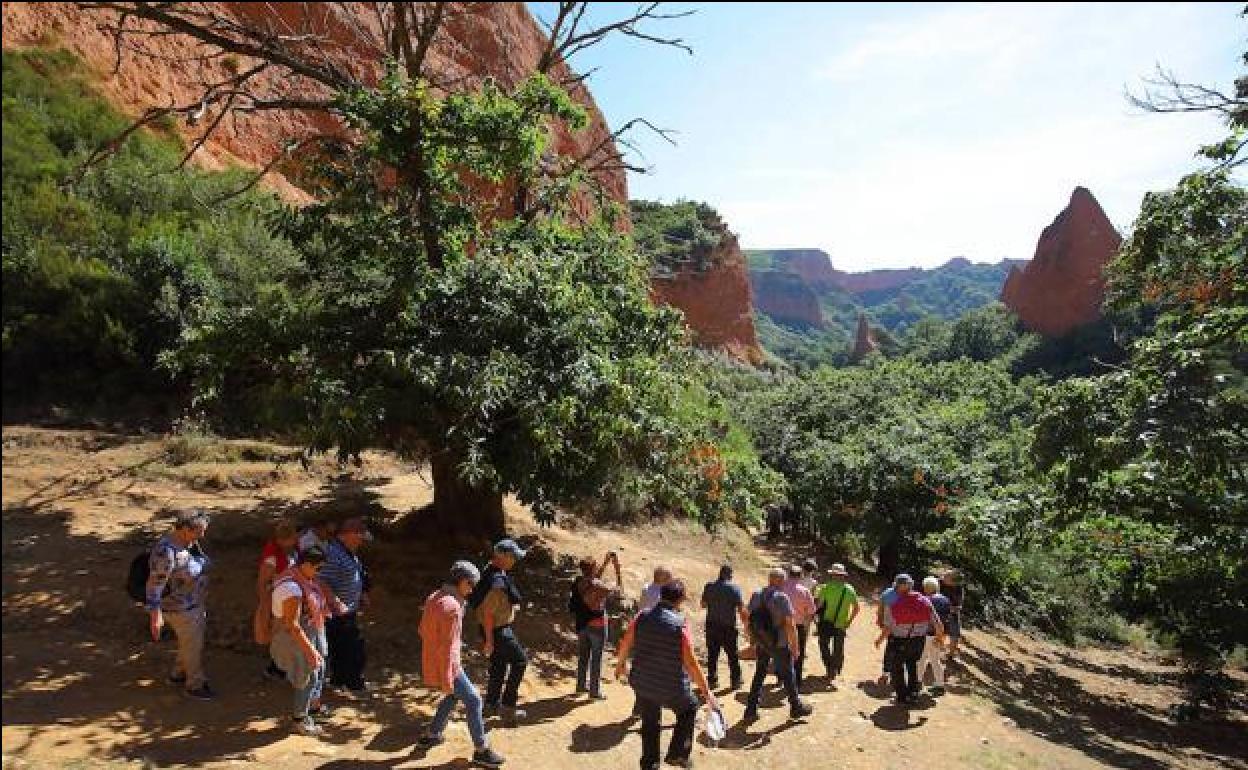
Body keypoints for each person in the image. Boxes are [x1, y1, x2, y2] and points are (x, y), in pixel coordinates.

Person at [615, 580, 718, 770]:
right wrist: (707, 692)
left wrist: (620, 665)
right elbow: (692, 664)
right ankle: (678, 754)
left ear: (661, 596)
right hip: (671, 686)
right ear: (680, 601)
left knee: (650, 722)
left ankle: (650, 764)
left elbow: (626, 642)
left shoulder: (641, 617)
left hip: (642, 682)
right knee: (689, 708)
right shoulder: (680, 625)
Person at [418, 561, 506, 767]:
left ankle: (432, 734)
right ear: (461, 581)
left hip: (433, 659)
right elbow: (447, 648)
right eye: (471, 584)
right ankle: (481, 751)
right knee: (474, 700)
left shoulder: (434, 597)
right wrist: (448, 676)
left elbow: (422, 629)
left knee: (452, 697)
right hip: (448, 665)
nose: (472, 589)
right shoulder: (453, 607)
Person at [146, 509, 213, 700]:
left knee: (189, 643)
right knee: (193, 646)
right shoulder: (166, 552)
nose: (202, 535)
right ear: (184, 529)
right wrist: (155, 614)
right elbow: (155, 583)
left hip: (192, 604)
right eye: (199, 530)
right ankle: (195, 684)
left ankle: (178, 674)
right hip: (181, 609)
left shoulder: (189, 543)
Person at [270, 544, 332, 736]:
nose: (319, 572)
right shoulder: (293, 589)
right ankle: (299, 720)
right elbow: (293, 625)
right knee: (308, 676)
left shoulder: (302, 578)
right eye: (317, 568)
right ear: (305, 564)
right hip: (293, 638)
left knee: (315, 671)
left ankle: (309, 710)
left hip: (307, 632)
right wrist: (310, 651)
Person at [469, 539, 529, 726]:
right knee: (520, 662)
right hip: (498, 631)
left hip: (494, 630)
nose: (515, 561)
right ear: (503, 557)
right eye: (513, 557)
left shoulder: (491, 571)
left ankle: (490, 705)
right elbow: (488, 614)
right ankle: (508, 709)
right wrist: (489, 641)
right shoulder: (496, 583)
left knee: (499, 666)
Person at [743, 568, 813, 722]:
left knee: (760, 673)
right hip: (779, 643)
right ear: (780, 581)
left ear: (769, 580)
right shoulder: (782, 598)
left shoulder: (756, 595)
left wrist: (751, 639)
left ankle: (750, 709)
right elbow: (790, 625)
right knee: (788, 674)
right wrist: (795, 647)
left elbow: (747, 618)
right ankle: (796, 707)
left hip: (762, 641)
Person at [319, 517, 372, 694]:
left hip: (348, 610)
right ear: (347, 535)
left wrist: (362, 595)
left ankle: (339, 681)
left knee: (342, 649)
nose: (361, 541)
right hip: (337, 613)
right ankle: (354, 684)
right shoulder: (333, 555)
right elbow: (321, 581)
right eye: (359, 536)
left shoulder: (349, 552)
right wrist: (336, 602)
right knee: (354, 649)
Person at [881, 574, 944, 704]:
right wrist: (939, 638)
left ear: (896, 586)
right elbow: (939, 625)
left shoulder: (893, 603)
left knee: (897, 668)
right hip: (919, 641)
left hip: (900, 640)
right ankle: (913, 693)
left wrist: (880, 638)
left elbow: (888, 627)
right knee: (912, 665)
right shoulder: (925, 601)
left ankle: (902, 696)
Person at [570, 551, 622, 699]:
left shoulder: (579, 582)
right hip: (598, 626)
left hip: (582, 624)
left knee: (583, 656)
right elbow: (618, 589)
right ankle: (594, 691)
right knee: (596, 659)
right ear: (592, 569)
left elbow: (592, 580)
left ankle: (580, 686)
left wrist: (605, 563)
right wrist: (617, 570)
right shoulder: (599, 586)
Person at [257, 519, 299, 680]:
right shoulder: (272, 558)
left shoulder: (290, 551)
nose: (295, 541)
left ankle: (285, 666)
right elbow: (262, 584)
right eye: (292, 538)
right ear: (282, 540)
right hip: (278, 602)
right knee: (279, 635)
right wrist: (265, 609)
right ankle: (276, 668)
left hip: (291, 597)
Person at [700, 565, 749, 691]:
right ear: (729, 575)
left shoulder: (709, 586)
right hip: (728, 627)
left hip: (711, 625)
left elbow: (703, 605)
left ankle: (712, 680)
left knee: (712, 654)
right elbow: (741, 609)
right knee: (732, 655)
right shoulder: (734, 588)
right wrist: (747, 627)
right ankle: (735, 681)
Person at [813, 563, 860, 681]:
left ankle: (830, 668)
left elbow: (818, 605)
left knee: (823, 645)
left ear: (832, 575)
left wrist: (813, 616)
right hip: (841, 624)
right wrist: (849, 621)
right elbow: (856, 608)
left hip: (826, 622)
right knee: (838, 648)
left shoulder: (825, 588)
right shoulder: (849, 589)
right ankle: (835, 668)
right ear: (843, 576)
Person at [780, 564, 816, 689]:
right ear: (800, 576)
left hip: (781, 625)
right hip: (798, 626)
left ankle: (781, 678)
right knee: (798, 653)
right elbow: (811, 610)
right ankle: (797, 681)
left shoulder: (781, 587)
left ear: (789, 574)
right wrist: (806, 623)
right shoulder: (804, 591)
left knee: (781, 651)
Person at [918, 576, 951, 696]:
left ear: (927, 587)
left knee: (921, 659)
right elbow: (947, 619)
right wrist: (942, 636)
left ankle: (917, 683)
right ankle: (939, 685)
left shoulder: (926, 600)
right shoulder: (946, 600)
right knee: (935, 660)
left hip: (927, 634)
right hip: (940, 634)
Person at [875, 581, 901, 687]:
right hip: (904, 630)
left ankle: (886, 674)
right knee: (898, 652)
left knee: (890, 650)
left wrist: (880, 619)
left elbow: (881, 608)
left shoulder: (887, 593)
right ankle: (894, 676)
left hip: (892, 628)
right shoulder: (908, 595)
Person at [940, 569, 965, 660]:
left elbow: (959, 606)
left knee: (955, 633)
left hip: (952, 613)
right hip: (939, 611)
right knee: (939, 630)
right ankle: (935, 651)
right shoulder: (939, 583)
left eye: (946, 576)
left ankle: (951, 654)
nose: (943, 577)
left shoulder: (959, 589)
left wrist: (951, 609)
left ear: (953, 581)